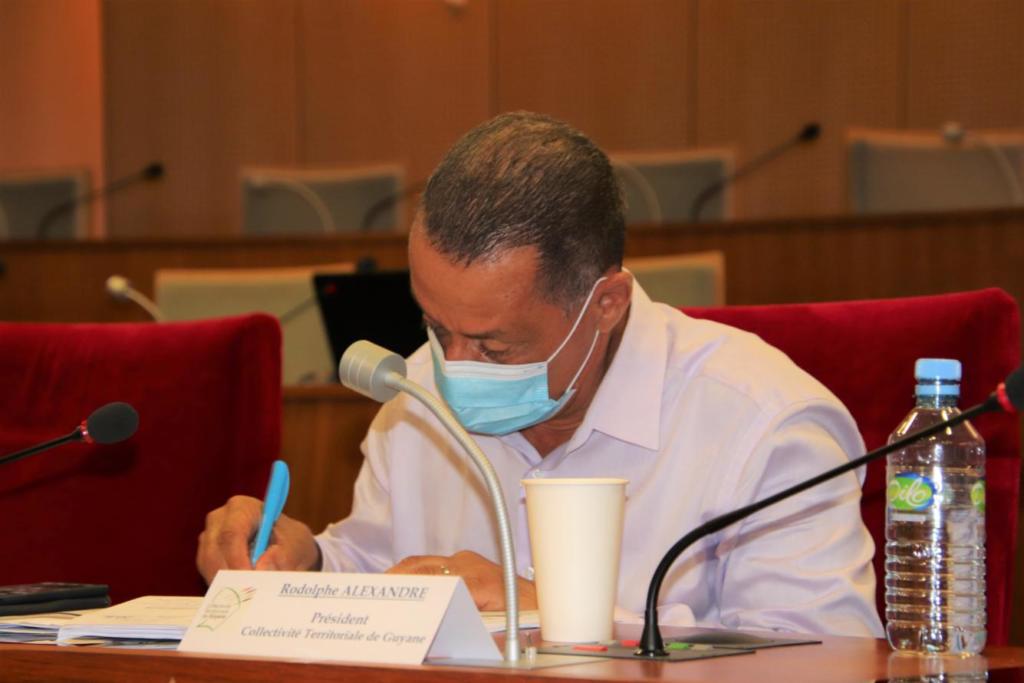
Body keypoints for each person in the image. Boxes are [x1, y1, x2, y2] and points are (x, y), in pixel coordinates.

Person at [198, 111, 883, 637]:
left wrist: (558, 615)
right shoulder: (416, 397)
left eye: (495, 347)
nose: (453, 369)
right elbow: (383, 571)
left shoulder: (765, 424)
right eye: (437, 328)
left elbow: (829, 659)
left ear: (605, 304)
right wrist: (306, 562)